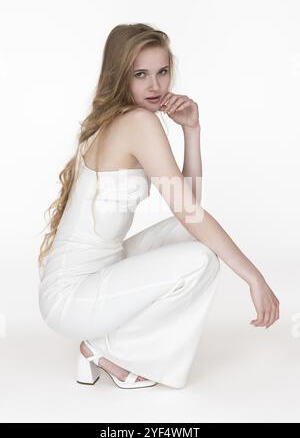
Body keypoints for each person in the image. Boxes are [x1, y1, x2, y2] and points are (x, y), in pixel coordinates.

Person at [38, 23, 280, 390]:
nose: (156, 86)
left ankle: (107, 346)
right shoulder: (138, 121)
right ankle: (106, 349)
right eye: (141, 75)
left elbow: (189, 206)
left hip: (97, 275)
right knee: (200, 258)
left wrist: (191, 130)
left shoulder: (122, 120)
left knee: (193, 239)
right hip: (71, 297)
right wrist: (254, 277)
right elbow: (190, 210)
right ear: (120, 77)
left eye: (162, 72)